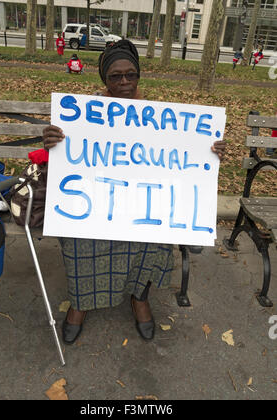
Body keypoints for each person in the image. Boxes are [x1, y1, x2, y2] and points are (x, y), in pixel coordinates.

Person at [42, 40, 226, 345]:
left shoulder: (157, 117)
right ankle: (81, 301)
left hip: (139, 201)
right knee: (79, 237)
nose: (125, 82)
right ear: (104, 79)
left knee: (153, 238)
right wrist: (52, 141)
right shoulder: (82, 116)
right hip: (95, 199)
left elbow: (180, 158)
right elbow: (69, 157)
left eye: (131, 75)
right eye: (116, 76)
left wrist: (209, 151)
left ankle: (139, 296)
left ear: (139, 76)